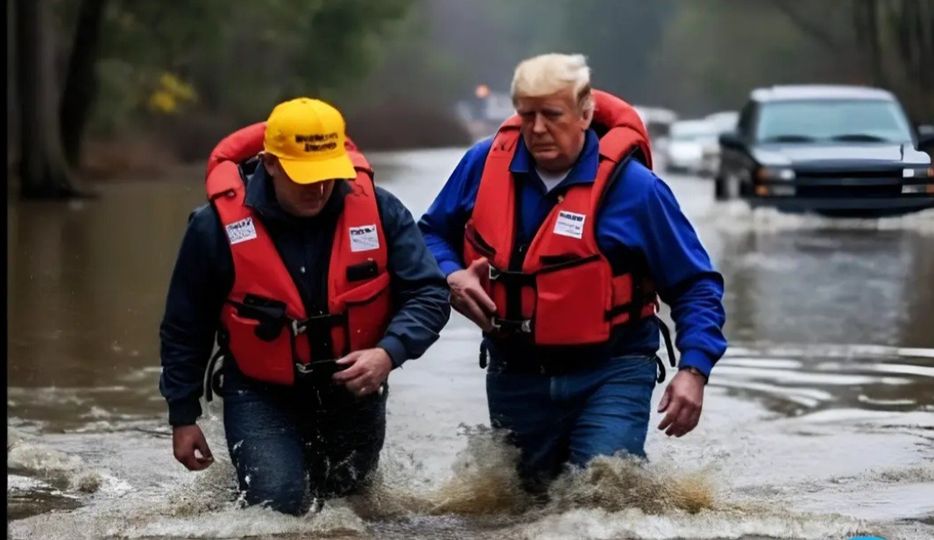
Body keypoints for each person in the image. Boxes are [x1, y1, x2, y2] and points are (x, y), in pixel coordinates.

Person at [418, 54, 726, 492]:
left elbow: (695, 285)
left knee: (603, 496)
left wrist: (694, 370)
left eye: (552, 114)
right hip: (516, 372)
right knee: (526, 509)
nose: (538, 128)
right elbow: (429, 235)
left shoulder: (637, 190)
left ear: (585, 114)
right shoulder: (483, 164)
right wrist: (450, 275)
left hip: (613, 368)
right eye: (527, 115)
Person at [159, 97, 450, 514]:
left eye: (328, 175)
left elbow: (429, 293)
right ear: (270, 163)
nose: (318, 188)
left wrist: (388, 353)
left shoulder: (379, 209)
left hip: (354, 393)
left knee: (349, 512)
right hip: (262, 393)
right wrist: (182, 416)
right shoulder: (214, 228)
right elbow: (185, 327)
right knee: (278, 507)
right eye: (304, 176)